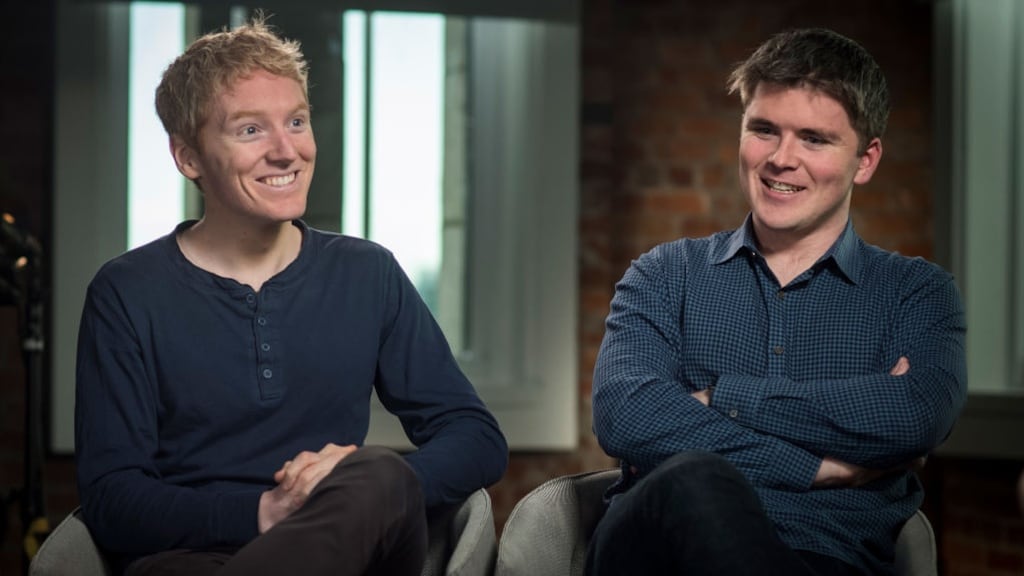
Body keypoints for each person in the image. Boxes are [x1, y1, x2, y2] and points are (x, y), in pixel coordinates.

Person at [74, 15, 507, 576]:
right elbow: (112, 499)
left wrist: (349, 487)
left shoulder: (367, 272)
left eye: (297, 121)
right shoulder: (126, 292)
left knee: (380, 472)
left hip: (356, 546)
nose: (287, 151)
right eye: (250, 130)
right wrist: (263, 511)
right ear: (188, 158)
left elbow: (476, 438)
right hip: (194, 559)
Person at [587, 28, 966, 576]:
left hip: (825, 559)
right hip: (656, 554)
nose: (781, 159)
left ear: (865, 160)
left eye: (813, 139)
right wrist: (816, 466)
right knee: (695, 479)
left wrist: (720, 397)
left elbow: (916, 415)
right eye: (763, 130)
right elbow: (625, 414)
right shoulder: (664, 274)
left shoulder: (918, 293)